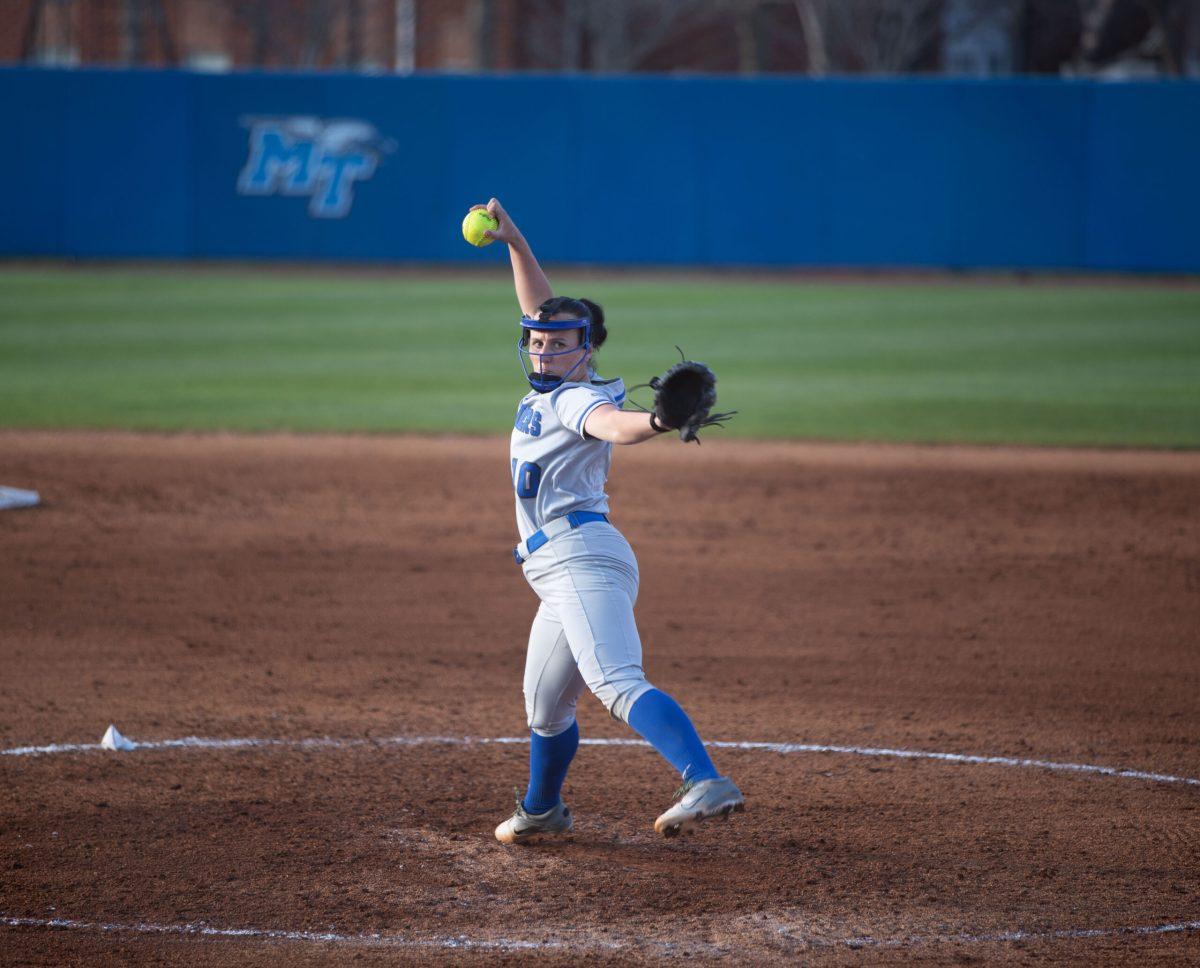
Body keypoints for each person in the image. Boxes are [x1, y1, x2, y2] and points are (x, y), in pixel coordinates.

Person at [472, 198, 745, 844]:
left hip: (582, 560)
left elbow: (613, 427)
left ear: (584, 352)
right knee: (544, 705)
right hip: (559, 570)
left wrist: (657, 421)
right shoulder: (552, 380)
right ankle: (543, 809)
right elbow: (540, 306)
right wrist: (514, 240)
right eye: (536, 343)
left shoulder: (577, 399)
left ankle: (703, 778)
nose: (543, 352)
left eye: (559, 345)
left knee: (616, 682)